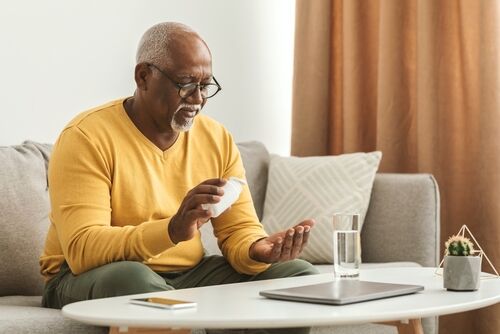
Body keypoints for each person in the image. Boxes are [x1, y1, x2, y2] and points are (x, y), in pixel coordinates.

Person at [40, 22, 318, 333]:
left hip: (189, 273)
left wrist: (257, 250)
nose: (198, 99)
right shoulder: (86, 137)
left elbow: (238, 229)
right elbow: (83, 251)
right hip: (89, 276)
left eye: (205, 85)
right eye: (185, 83)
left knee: (298, 277)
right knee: (132, 279)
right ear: (143, 76)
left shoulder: (216, 139)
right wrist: (171, 230)